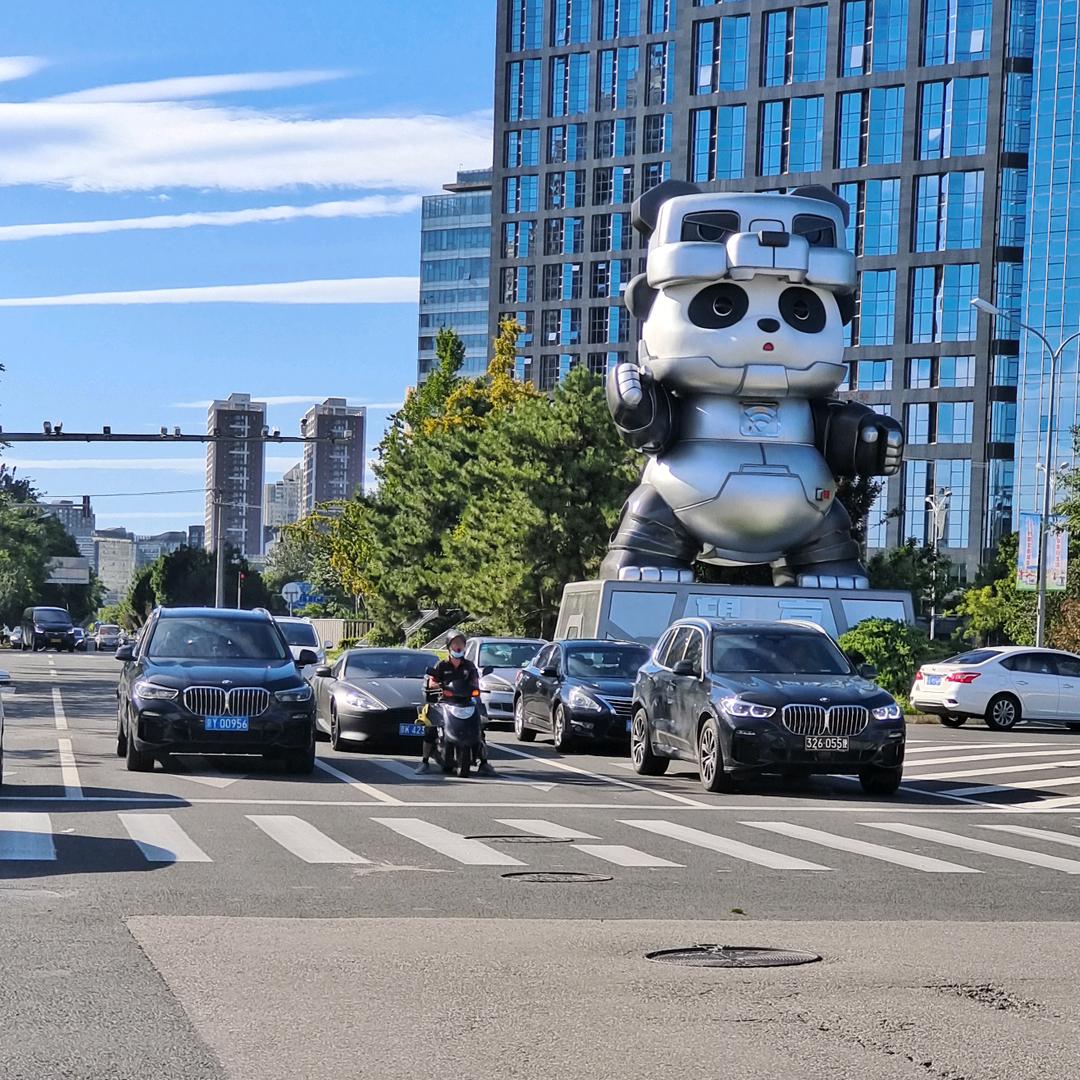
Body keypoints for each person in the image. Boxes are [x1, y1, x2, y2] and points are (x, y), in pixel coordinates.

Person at [416, 631, 495, 776]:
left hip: (466, 702)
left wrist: (475, 687)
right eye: (455, 644)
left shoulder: (469, 666)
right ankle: (424, 761)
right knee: (430, 728)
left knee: (479, 728)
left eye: (461, 644)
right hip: (445, 702)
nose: (458, 647)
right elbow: (432, 680)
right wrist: (438, 686)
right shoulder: (441, 665)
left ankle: (484, 762)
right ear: (448, 647)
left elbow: (475, 681)